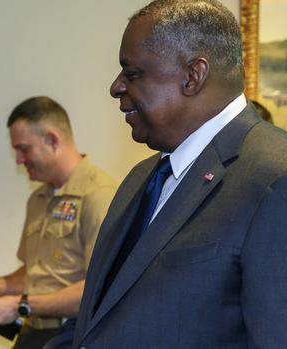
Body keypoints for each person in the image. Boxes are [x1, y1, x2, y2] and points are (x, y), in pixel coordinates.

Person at [45, 1, 287, 348]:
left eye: (132, 74)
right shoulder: (141, 179)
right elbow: (98, 322)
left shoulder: (274, 178)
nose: (115, 87)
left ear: (193, 76)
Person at [0, 96, 117, 349]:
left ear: (52, 140)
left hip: (76, 334)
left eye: (23, 149)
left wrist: (20, 305)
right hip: (34, 333)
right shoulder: (38, 198)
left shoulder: (100, 195)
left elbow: (100, 288)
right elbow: (35, 273)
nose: (18, 159)